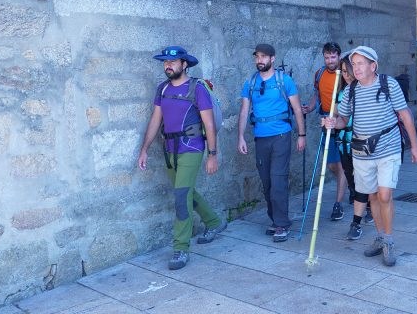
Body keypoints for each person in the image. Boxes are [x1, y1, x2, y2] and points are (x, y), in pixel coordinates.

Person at [323, 46, 417, 266]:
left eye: (360, 63)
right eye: (353, 64)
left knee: (385, 195)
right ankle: (379, 236)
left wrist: (414, 146)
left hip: (388, 147)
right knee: (373, 196)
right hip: (362, 152)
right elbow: (343, 121)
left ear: (373, 65)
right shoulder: (350, 91)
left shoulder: (388, 85)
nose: (355, 68)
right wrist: (333, 123)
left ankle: (388, 240)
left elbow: (405, 114)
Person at [137, 46, 227, 271]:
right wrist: (144, 149)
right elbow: (156, 120)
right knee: (185, 191)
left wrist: (212, 155)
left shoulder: (197, 88)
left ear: (185, 64)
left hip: (192, 147)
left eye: (173, 61)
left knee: (181, 196)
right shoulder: (162, 88)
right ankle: (214, 222)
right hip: (169, 149)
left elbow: (208, 123)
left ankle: (181, 248)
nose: (168, 65)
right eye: (165, 62)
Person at [238, 43, 306, 242]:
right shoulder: (249, 83)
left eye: (264, 57)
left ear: (272, 58)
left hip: (281, 137)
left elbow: (297, 109)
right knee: (267, 183)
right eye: (257, 56)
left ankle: (282, 224)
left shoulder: (285, 81)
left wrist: (301, 135)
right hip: (261, 139)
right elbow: (244, 111)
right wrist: (241, 136)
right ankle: (276, 220)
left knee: (277, 180)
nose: (260, 60)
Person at [302, 42, 348, 221]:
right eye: (327, 57)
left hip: (343, 123)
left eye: (333, 57)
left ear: (339, 56)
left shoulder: (345, 74)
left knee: (342, 164)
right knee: (331, 165)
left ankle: (338, 204)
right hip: (325, 122)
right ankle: (348, 182)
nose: (330, 60)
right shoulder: (319, 74)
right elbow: (317, 95)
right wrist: (310, 108)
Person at [336, 52, 372, 241]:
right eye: (343, 72)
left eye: (348, 70)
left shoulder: (364, 90)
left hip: (362, 145)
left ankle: (358, 220)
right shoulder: (342, 93)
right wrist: (332, 122)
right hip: (344, 143)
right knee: (352, 180)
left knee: (361, 182)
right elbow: (341, 118)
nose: (347, 75)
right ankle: (368, 206)